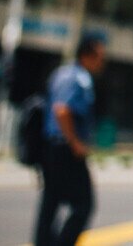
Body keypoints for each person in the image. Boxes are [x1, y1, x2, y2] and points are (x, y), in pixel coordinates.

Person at [33, 34, 106, 246]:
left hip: (52, 147)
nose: (102, 62)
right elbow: (62, 110)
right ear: (87, 56)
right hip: (65, 149)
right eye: (99, 57)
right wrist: (75, 143)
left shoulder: (62, 73)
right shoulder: (77, 78)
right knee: (84, 204)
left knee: (51, 203)